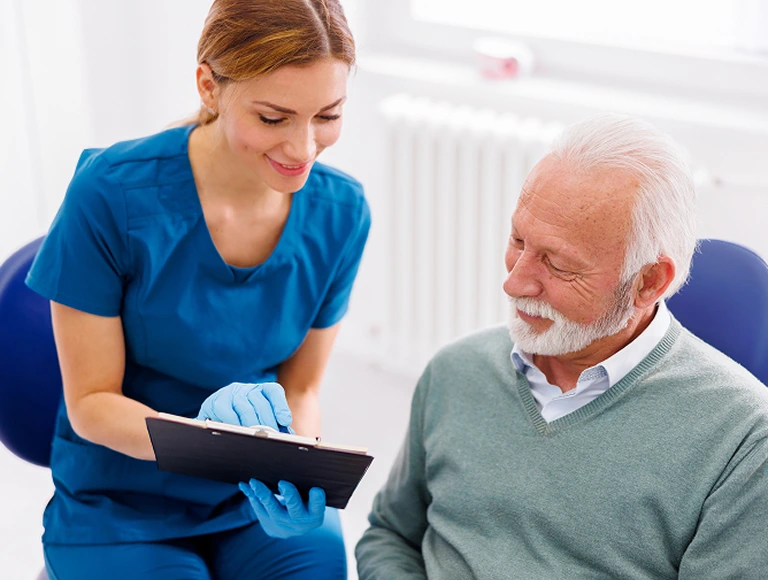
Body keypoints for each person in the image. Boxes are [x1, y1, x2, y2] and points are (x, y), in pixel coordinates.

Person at [25, 1, 369, 578]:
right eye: (273, 118)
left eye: (327, 115)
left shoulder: (342, 212)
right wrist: (199, 439)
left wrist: (294, 474)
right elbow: (89, 405)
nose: (304, 149)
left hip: (249, 494)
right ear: (210, 86)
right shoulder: (110, 195)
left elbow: (302, 385)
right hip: (120, 502)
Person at [355, 114, 768, 579]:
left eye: (558, 264)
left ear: (649, 281)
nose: (514, 282)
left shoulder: (747, 442)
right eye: (518, 241)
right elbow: (390, 534)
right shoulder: (456, 371)